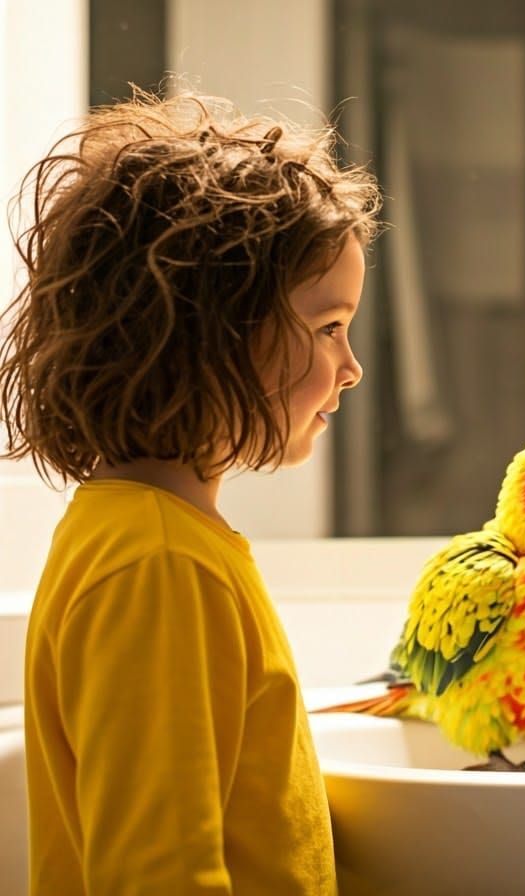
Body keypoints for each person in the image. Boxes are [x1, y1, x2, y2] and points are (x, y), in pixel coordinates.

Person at [0, 90, 381, 893]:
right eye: (328, 328)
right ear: (212, 335)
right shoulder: (161, 566)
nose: (351, 369)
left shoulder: (141, 533)